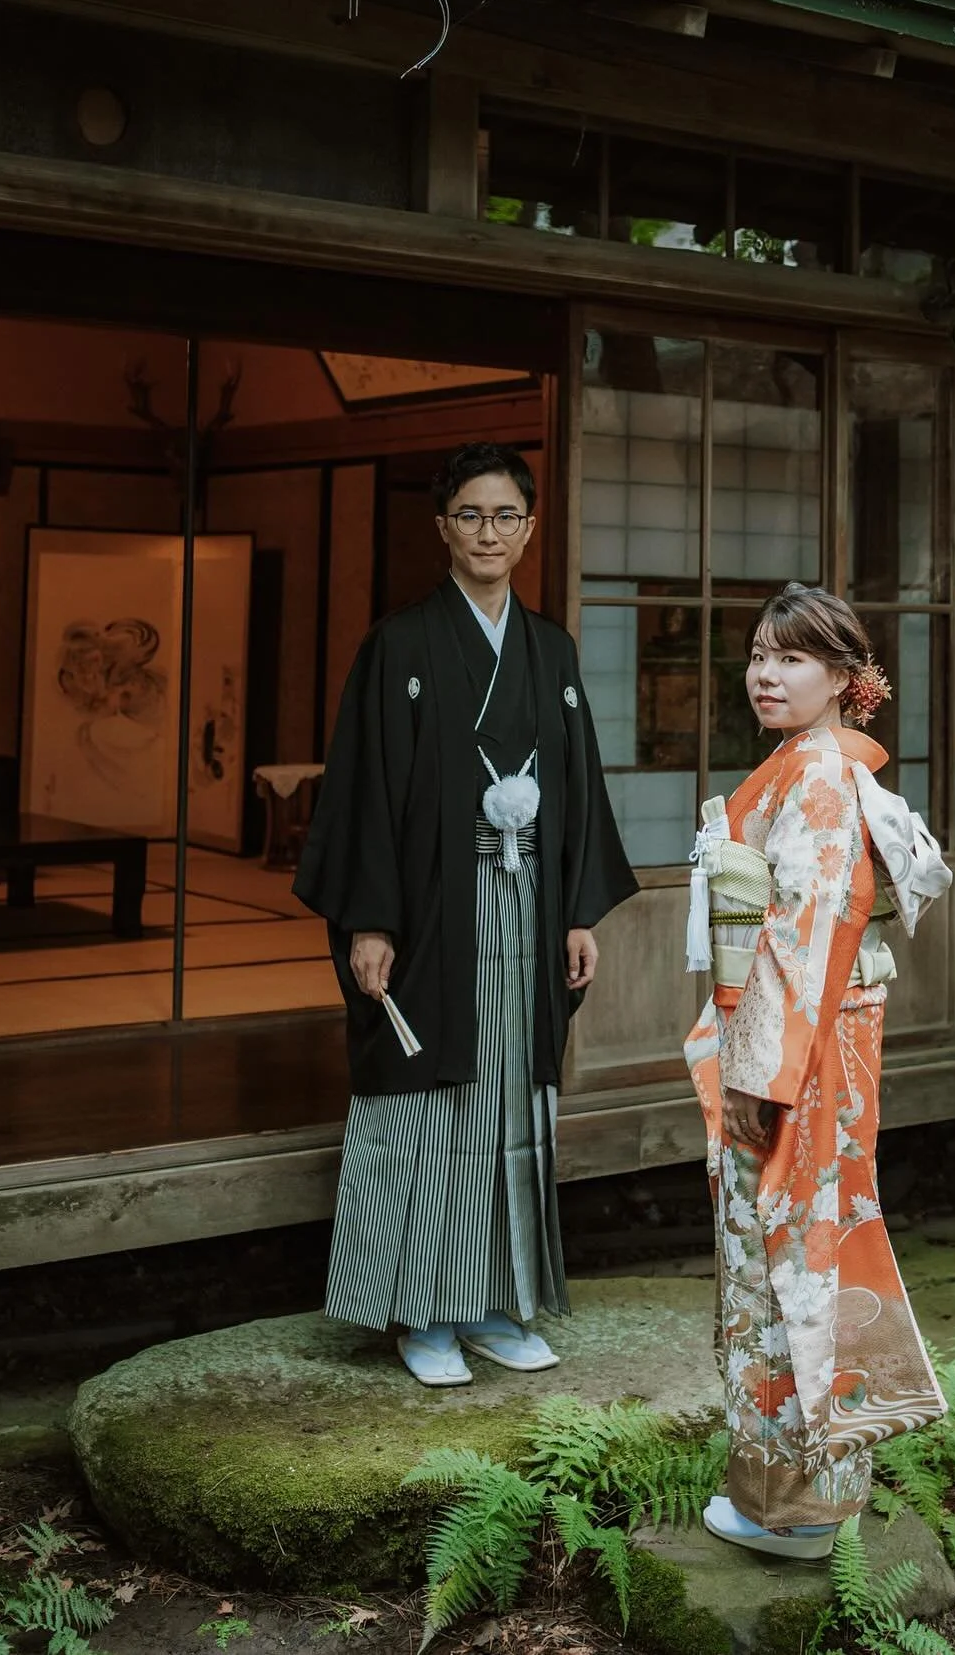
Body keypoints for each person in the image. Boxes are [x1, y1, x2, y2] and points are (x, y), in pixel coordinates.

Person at [295, 443, 637, 1387]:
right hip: (428, 913)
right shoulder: (400, 646)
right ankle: (423, 1310)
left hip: (526, 907)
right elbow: (365, 792)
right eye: (471, 515)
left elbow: (577, 789)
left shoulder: (550, 650)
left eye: (506, 516)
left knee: (508, 1097)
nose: (490, 532)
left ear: (529, 529)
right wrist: (371, 920)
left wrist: (577, 912)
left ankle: (492, 1299)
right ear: (442, 527)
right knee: (429, 1097)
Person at [684, 583, 952, 1559]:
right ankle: (794, 1491)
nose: (765, 673)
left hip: (803, 1045)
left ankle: (794, 1507)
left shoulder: (824, 777)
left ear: (844, 677)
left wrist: (762, 1076)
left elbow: (806, 936)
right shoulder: (802, 765)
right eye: (760, 653)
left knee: (791, 1256)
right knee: (789, 1253)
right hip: (798, 1034)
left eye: (791, 657)